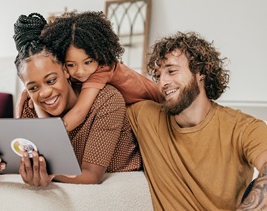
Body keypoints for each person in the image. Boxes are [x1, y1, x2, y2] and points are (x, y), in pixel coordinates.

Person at [0, 13, 143, 186]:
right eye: (33, 87)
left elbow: (91, 176)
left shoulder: (106, 100)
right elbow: (23, 158)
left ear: (65, 70)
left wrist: (48, 172)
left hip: (121, 184)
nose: (45, 93)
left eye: (51, 80)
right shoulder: (30, 107)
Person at [126, 31, 267, 210]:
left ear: (202, 71)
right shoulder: (146, 116)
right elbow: (109, 76)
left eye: (171, 71)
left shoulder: (242, 127)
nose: (162, 82)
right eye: (158, 75)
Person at [17, 11, 162, 132]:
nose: (80, 72)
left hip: (160, 105)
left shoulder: (102, 70)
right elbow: (30, 93)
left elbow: (79, 113)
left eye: (88, 62)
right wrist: (27, 96)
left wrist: (49, 134)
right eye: (71, 64)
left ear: (99, 55)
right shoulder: (85, 72)